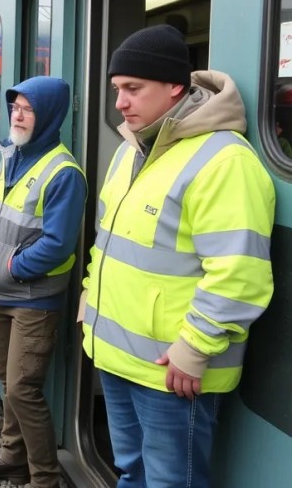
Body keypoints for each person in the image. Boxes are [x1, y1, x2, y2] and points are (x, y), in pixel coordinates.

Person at [82, 24, 275, 487]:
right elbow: (107, 241)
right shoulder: (131, 151)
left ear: (175, 86)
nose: (120, 103)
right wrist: (91, 298)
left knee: (172, 482)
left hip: (172, 371)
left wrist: (195, 347)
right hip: (116, 355)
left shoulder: (224, 160)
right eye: (117, 89)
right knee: (131, 471)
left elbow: (239, 272)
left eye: (132, 88)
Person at [0, 77, 87, 487]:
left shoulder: (64, 172)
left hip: (33, 299)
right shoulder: (13, 157)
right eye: (14, 106)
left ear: (47, 116)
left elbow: (58, 245)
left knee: (22, 388)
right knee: (7, 380)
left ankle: (44, 478)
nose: (16, 113)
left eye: (27, 108)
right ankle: (13, 456)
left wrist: (11, 267)